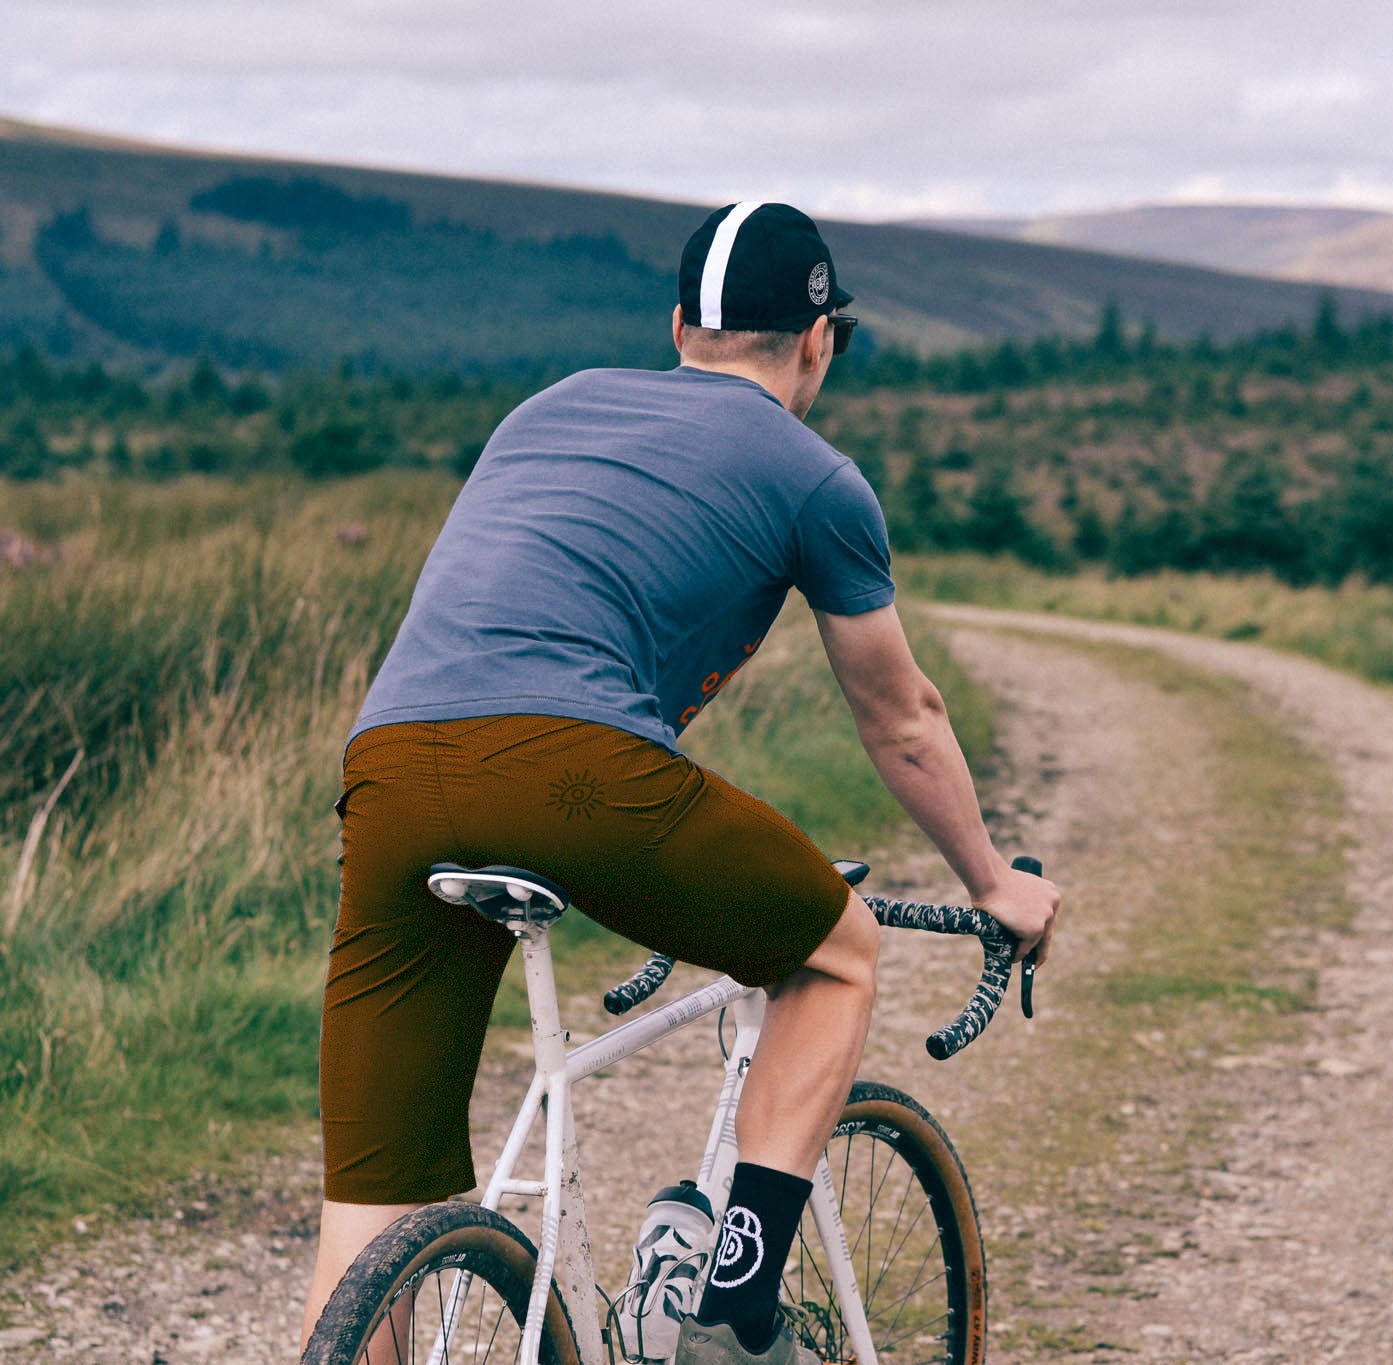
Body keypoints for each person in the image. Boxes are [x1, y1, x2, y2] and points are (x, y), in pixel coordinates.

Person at [297, 201, 1061, 1365]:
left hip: (391, 767)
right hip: (573, 776)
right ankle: (732, 1319)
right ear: (816, 342)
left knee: (374, 1201)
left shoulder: (546, 410)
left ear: (678, 328)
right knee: (835, 948)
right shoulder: (816, 478)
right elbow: (901, 718)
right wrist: (992, 878)